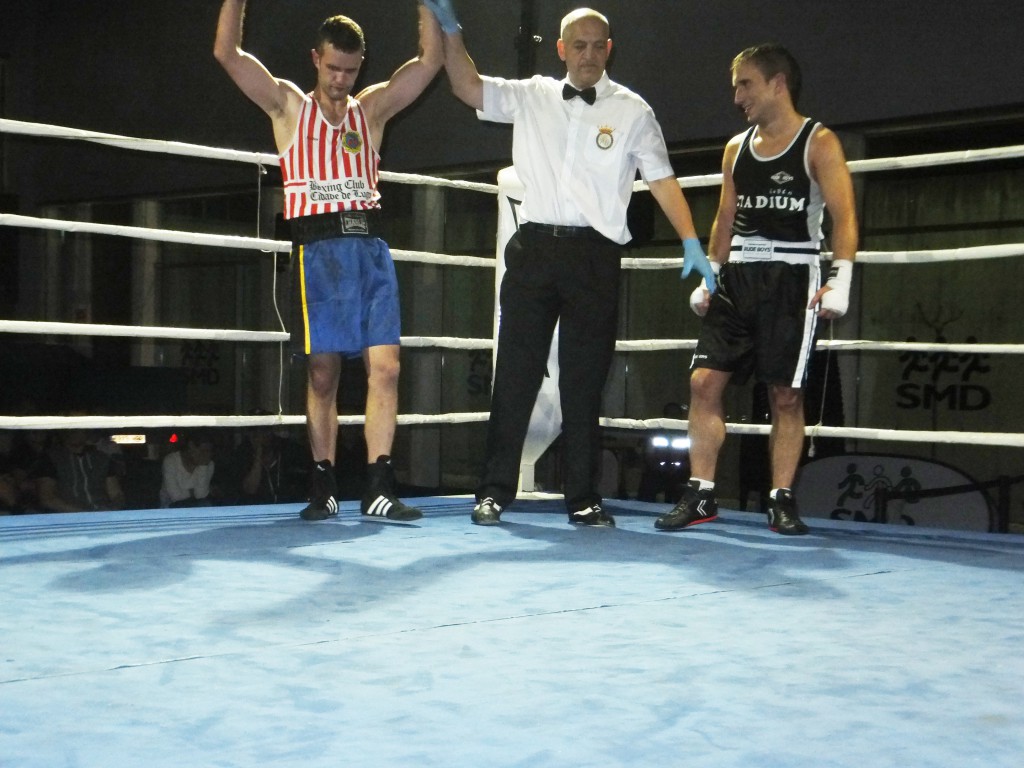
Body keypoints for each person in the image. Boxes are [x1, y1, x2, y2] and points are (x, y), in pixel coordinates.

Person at [423, 2, 713, 527]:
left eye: (597, 44)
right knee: (515, 374)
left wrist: (692, 241)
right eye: (578, 45)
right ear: (561, 50)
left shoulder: (632, 111)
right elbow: (466, 86)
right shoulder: (532, 95)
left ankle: (583, 497)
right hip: (535, 249)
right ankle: (491, 492)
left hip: (595, 256)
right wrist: (450, 29)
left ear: (609, 49)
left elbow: (662, 179)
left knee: (584, 382)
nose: (587, 54)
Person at [215, 1, 443, 522]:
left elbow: (429, 62)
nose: (341, 79)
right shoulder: (290, 108)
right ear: (315, 59)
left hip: (370, 248)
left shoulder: (373, 110)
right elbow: (227, 54)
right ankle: (323, 484)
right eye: (332, 68)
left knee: (386, 368)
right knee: (324, 375)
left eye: (350, 69)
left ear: (360, 65)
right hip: (319, 250)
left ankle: (380, 486)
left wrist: (428, 4)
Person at [655, 43, 858, 536]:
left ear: (777, 84)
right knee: (703, 382)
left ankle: (781, 497)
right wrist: (712, 272)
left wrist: (840, 279)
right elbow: (726, 217)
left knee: (785, 395)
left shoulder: (819, 141)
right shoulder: (736, 147)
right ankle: (701, 493)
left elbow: (844, 216)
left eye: (745, 84)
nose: (737, 96)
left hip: (793, 275)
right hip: (739, 274)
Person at [32, 429, 126, 513]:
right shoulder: (50, 459)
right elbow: (47, 499)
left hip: (103, 516)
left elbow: (116, 494)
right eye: (70, 428)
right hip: (67, 519)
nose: (74, 431)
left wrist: (110, 510)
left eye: (78, 428)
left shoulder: (101, 458)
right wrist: (83, 514)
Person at [160, 431, 218, 508]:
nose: (206, 455)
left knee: (206, 505)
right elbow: (175, 497)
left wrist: (203, 467)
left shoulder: (208, 464)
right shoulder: (171, 461)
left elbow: (201, 495)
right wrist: (193, 492)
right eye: (203, 451)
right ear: (191, 447)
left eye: (209, 452)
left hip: (196, 505)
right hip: (170, 506)